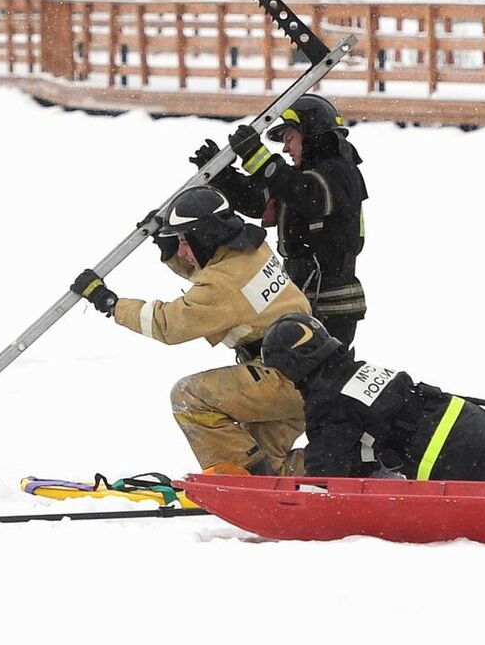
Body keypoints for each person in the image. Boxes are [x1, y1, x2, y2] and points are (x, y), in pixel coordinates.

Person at [71, 185, 311, 476]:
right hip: (305, 372)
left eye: (185, 241)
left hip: (280, 377)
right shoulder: (251, 248)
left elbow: (168, 324)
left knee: (188, 398)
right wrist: (169, 245)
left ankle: (246, 481)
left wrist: (109, 303)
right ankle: (336, 473)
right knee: (270, 461)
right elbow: (210, 270)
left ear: (206, 235)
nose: (183, 251)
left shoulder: (222, 284)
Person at [258, 312, 485, 482]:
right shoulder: (352, 371)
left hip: (444, 449)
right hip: (465, 418)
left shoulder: (327, 401)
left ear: (295, 365)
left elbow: (327, 473)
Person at [190, 93, 368, 344]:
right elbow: (256, 200)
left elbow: (309, 195)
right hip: (302, 294)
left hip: (330, 305)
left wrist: (258, 157)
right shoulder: (297, 177)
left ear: (311, 133)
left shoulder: (340, 173)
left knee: (311, 376)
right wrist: (222, 176)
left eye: (289, 138)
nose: (285, 148)